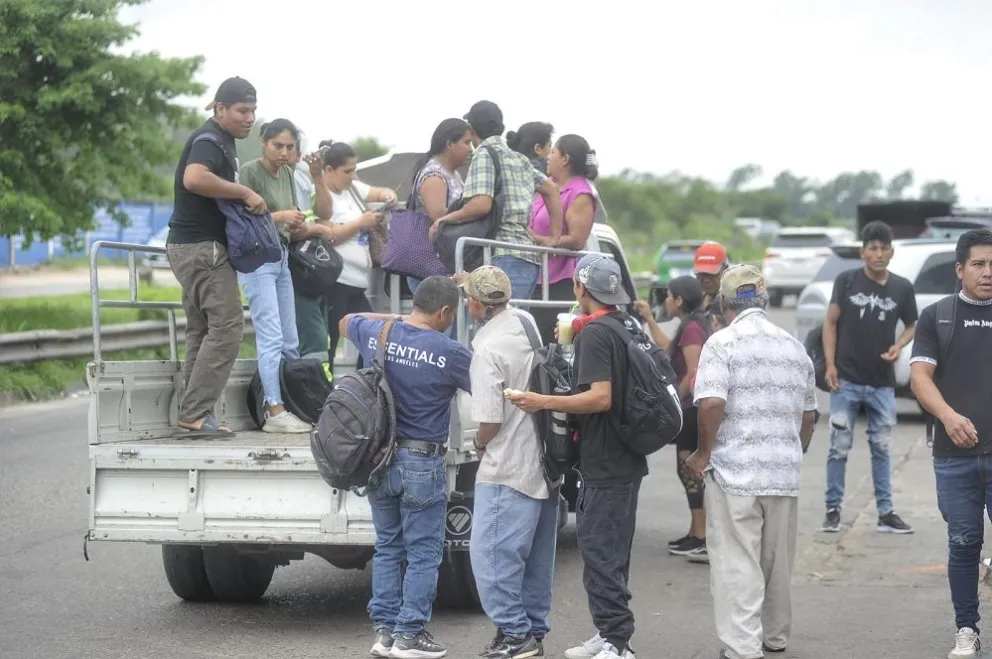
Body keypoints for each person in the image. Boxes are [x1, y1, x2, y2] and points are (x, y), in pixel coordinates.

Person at [508, 254, 643, 659]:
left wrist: (541, 401)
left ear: (580, 289)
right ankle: (608, 633)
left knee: (601, 552)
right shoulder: (624, 324)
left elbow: (600, 397)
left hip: (607, 461)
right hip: (624, 457)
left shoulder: (597, 335)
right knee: (609, 551)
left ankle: (618, 643)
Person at [687, 264, 818, 659]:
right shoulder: (794, 347)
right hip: (783, 472)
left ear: (725, 302)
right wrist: (794, 448)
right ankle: (774, 637)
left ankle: (743, 647)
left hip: (736, 472)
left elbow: (711, 401)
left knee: (736, 561)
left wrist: (703, 453)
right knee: (776, 562)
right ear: (764, 300)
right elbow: (809, 414)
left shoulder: (722, 343)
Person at [341, 276, 472, 659]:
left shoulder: (377, 332)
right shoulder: (450, 352)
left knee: (388, 547)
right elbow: (489, 389)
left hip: (380, 458)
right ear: (444, 312)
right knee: (424, 553)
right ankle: (410, 635)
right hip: (420, 462)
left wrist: (398, 319)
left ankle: (384, 633)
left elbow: (345, 320)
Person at [465, 266, 557, 659]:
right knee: (535, 560)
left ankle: (516, 635)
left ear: (473, 304)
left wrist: (478, 443)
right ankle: (530, 632)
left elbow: (490, 420)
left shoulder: (487, 350)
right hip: (543, 460)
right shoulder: (525, 322)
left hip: (506, 467)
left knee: (489, 558)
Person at [910, 229, 992, 659]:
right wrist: (948, 415)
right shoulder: (938, 316)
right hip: (954, 456)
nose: (987, 272)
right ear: (960, 269)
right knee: (963, 544)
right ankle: (967, 630)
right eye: (978, 264)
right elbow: (920, 378)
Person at [166, 76, 263, 438]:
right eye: (242, 110)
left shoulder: (221, 139)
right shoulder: (210, 140)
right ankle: (194, 412)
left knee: (203, 330)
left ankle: (193, 411)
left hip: (190, 247)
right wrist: (243, 191)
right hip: (201, 249)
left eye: (253, 110)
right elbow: (194, 179)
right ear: (220, 109)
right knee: (228, 327)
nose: (249, 118)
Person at [821, 220, 916, 534]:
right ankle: (833, 510)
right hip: (846, 380)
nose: (878, 254)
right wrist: (830, 365)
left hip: (882, 384)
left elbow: (913, 324)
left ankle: (886, 513)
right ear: (863, 252)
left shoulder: (902, 287)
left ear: (891, 251)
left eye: (883, 248)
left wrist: (899, 346)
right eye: (872, 248)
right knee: (839, 446)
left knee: (882, 448)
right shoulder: (847, 281)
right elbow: (830, 323)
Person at [237, 119, 330, 433]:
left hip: (281, 256)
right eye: (278, 145)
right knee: (271, 336)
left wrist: (296, 223)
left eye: (290, 147)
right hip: (256, 259)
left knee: (291, 339)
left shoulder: (290, 173)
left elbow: (289, 217)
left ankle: (290, 403)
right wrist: (280, 216)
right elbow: (242, 219)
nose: (284, 152)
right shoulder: (250, 171)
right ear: (263, 142)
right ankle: (273, 409)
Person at [433, 101, 562, 304]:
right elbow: (552, 190)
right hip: (529, 257)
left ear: (472, 129)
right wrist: (554, 236)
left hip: (502, 255)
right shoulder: (519, 158)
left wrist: (444, 220)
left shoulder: (484, 155)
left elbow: (481, 204)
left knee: (493, 326)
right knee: (515, 326)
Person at [319, 141, 398, 369]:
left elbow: (379, 191)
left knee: (372, 336)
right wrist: (360, 223)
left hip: (357, 282)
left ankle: (365, 382)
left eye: (354, 170)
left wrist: (387, 197)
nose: (352, 176)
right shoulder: (324, 198)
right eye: (347, 171)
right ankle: (326, 390)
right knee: (331, 342)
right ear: (329, 171)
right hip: (336, 280)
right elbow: (329, 235)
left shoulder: (352, 189)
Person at [528, 134, 599, 344]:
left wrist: (543, 241)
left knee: (548, 343)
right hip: (536, 277)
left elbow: (577, 240)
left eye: (553, 153)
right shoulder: (547, 185)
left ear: (565, 159)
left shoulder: (581, 194)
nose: (548, 157)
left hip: (559, 283)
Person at [659, 277, 710, 561]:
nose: (666, 301)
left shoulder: (691, 328)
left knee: (690, 471)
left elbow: (693, 373)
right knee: (688, 471)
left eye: (668, 296)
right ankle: (695, 532)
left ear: (679, 300)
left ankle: (701, 535)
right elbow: (668, 348)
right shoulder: (692, 324)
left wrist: (673, 401)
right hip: (691, 409)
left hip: (690, 410)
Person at [406, 118, 474, 294]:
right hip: (430, 263)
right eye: (466, 142)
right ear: (449, 144)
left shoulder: (453, 174)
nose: (471, 149)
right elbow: (440, 217)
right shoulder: (434, 175)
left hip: (442, 261)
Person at [693, 241, 730, 319]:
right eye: (702, 273)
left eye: (712, 274)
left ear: (725, 269)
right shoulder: (693, 302)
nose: (706, 280)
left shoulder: (734, 305)